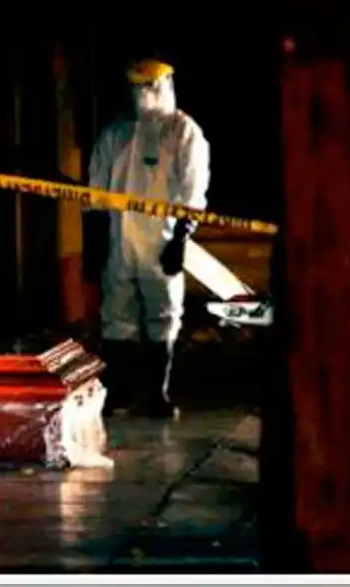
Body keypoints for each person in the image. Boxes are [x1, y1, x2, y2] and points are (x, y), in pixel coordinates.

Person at [86, 58, 211, 418]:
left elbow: (193, 187)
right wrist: (96, 240)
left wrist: (182, 237)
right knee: (116, 316)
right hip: (119, 240)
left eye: (151, 86)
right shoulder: (116, 134)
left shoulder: (183, 131)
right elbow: (95, 188)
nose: (145, 94)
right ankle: (119, 394)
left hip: (162, 240)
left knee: (164, 315)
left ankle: (158, 394)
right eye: (139, 87)